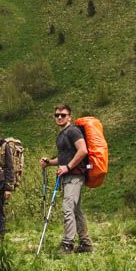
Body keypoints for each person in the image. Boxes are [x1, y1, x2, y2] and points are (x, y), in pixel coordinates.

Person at [39, 104, 93, 253]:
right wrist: (50, 162)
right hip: (69, 175)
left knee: (68, 208)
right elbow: (63, 158)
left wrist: (68, 167)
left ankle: (67, 244)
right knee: (76, 210)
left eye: (63, 115)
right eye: (57, 115)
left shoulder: (73, 131)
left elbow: (83, 150)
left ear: (70, 116)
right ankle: (86, 244)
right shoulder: (62, 134)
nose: (60, 117)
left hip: (74, 175)